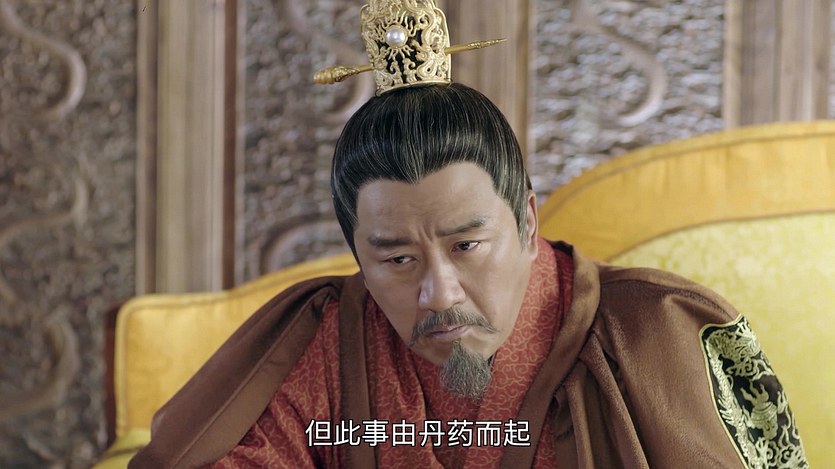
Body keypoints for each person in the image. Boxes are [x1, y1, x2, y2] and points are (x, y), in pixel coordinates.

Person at [130, 1, 807, 467]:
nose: (439, 292)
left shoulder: (654, 332)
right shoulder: (326, 341)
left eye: (466, 245)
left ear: (527, 221)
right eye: (396, 258)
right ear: (358, 255)